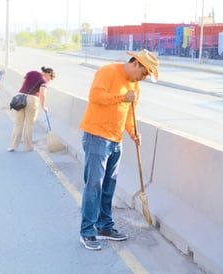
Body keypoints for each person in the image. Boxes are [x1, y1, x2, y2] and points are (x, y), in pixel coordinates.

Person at [79, 49, 159, 250]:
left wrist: (132, 133)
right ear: (136, 64)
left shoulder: (135, 87)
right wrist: (123, 97)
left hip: (116, 141)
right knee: (94, 186)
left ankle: (104, 226)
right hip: (97, 136)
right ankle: (87, 232)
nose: (143, 79)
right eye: (143, 73)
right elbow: (95, 96)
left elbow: (128, 114)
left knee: (108, 186)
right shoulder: (108, 72)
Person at [8, 66, 56, 152]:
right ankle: (28, 147)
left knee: (18, 124)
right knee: (29, 124)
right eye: (50, 78)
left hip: (20, 97)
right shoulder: (44, 81)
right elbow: (42, 94)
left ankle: (13, 146)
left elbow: (23, 84)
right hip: (32, 100)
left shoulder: (31, 73)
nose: (49, 80)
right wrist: (43, 106)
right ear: (48, 74)